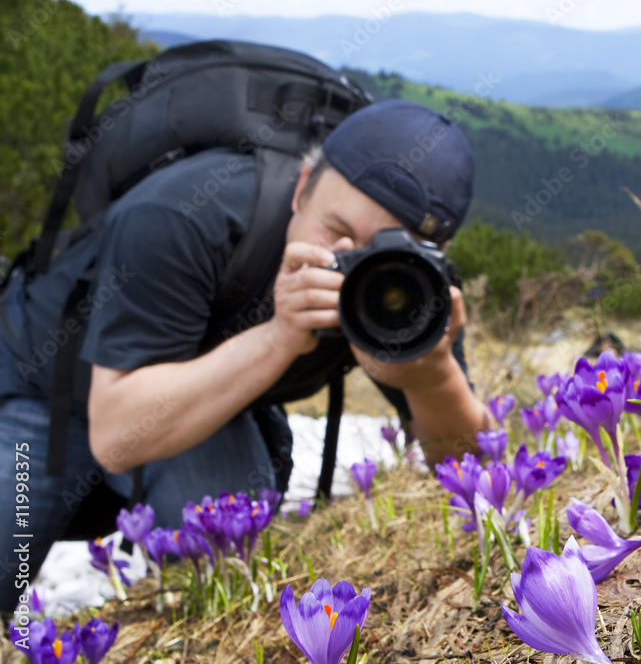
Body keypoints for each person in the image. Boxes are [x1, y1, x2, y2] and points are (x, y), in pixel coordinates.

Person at [0, 99, 490, 612]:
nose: (359, 265)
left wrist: (432, 378)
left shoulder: (414, 285)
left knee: (225, 521)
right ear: (302, 189)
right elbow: (117, 434)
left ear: (436, 257)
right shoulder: (183, 212)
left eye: (388, 253)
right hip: (47, 383)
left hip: (196, 405)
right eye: (339, 234)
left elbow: (471, 467)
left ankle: (189, 623)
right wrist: (278, 338)